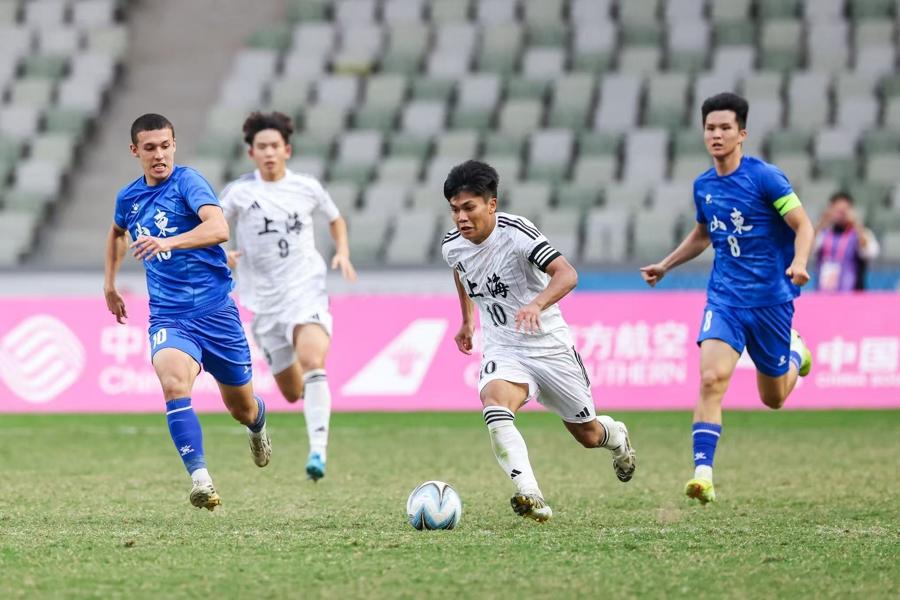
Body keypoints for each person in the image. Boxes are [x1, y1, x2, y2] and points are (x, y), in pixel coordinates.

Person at [640, 93, 815, 505]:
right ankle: (703, 474)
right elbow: (703, 234)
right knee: (710, 379)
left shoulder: (766, 178)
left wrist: (800, 262)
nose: (716, 135)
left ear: (742, 133)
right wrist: (666, 265)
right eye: (710, 128)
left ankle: (795, 352)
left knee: (773, 398)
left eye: (724, 128)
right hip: (725, 300)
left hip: (771, 300)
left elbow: (803, 225)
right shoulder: (703, 185)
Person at [442, 160, 636, 523]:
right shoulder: (453, 245)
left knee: (588, 435)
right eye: (454, 210)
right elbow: (461, 271)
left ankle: (617, 436)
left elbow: (567, 274)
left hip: (549, 347)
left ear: (491, 204)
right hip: (504, 347)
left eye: (469, 208)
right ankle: (530, 493)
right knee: (494, 405)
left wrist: (536, 304)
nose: (461, 218)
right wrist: (467, 320)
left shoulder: (517, 233)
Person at [104, 113, 271, 511]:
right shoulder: (128, 198)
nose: (159, 154)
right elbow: (116, 233)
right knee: (174, 384)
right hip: (169, 317)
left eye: (165, 146)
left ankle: (257, 423)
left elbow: (219, 229)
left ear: (174, 145)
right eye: (150, 148)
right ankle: (201, 480)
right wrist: (109, 283)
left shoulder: (188, 183)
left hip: (216, 313)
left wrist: (169, 242)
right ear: (135, 151)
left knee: (241, 408)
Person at [220, 111, 356, 482]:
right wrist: (221, 254)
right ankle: (307, 399)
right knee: (293, 392)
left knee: (312, 359)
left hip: (305, 289)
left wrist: (342, 250)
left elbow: (335, 218)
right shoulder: (238, 193)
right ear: (251, 153)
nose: (269, 152)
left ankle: (318, 452)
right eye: (261, 147)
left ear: (287, 150)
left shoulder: (307, 187)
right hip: (264, 302)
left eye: (274, 146)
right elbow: (211, 226)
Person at [814, 191, 880, 291]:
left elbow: (870, 252)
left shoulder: (861, 233)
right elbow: (808, 248)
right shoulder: (823, 233)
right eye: (837, 210)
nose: (841, 214)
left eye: (844, 210)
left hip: (853, 293)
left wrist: (857, 224)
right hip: (824, 293)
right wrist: (822, 222)